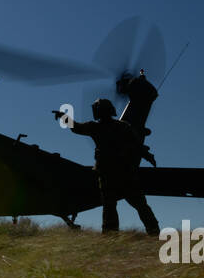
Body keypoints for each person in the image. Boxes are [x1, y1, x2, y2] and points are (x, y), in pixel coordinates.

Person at [57, 98, 158, 233]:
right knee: (138, 204)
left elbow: (76, 127)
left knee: (110, 205)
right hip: (125, 172)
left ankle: (110, 233)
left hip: (108, 173)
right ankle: (153, 230)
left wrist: (64, 117)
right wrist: (148, 156)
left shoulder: (95, 127)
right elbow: (137, 146)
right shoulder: (123, 126)